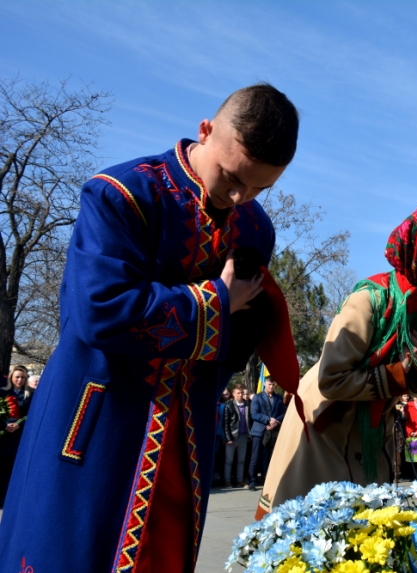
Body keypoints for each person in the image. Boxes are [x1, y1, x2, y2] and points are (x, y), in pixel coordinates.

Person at [0, 83, 300, 573]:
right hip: (99, 419)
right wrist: (214, 302)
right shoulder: (121, 194)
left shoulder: (255, 229)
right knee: (70, 552)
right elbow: (96, 310)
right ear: (205, 131)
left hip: (187, 433)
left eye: (260, 188)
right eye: (231, 176)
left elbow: (236, 336)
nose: (239, 196)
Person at [257, 195, 417, 516]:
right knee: (312, 534)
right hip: (323, 426)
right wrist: (401, 376)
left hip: (372, 436)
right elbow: (331, 381)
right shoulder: (370, 298)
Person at [0, 365, 32, 507]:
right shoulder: (2, 393)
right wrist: (3, 425)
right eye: (17, 377)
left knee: (15, 468)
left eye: (22, 377)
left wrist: (19, 424)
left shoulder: (30, 395)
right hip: (3, 436)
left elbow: (31, 416)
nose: (19, 380)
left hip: (19, 437)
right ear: (11, 378)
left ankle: (11, 499)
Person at [248, 377, 286, 491]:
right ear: (265, 384)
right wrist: (268, 419)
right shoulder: (257, 397)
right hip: (259, 431)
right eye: (269, 384)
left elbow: (283, 413)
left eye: (273, 385)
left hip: (272, 431)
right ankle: (252, 480)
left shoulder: (279, 398)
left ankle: (267, 480)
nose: (271, 387)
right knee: (255, 457)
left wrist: (276, 421)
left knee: (269, 457)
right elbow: (254, 414)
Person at [223, 384, 252, 487]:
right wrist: (228, 438)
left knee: (241, 460)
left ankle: (240, 480)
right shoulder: (229, 405)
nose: (240, 395)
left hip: (243, 436)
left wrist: (249, 436)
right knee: (229, 460)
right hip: (232, 437)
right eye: (238, 393)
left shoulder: (247, 404)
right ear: (233, 394)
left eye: (242, 393)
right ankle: (227, 480)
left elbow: (250, 421)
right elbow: (225, 423)